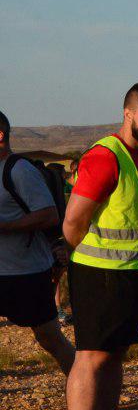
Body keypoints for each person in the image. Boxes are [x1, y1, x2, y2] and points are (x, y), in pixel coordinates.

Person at [62, 82, 138, 410]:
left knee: (115, 354)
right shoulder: (105, 157)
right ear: (128, 114)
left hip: (129, 274)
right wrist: (77, 258)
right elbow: (73, 220)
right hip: (98, 274)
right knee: (90, 356)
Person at [0, 110, 76, 377]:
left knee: (49, 338)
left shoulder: (20, 171)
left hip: (25, 273)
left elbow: (49, 215)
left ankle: (88, 392)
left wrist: (5, 227)